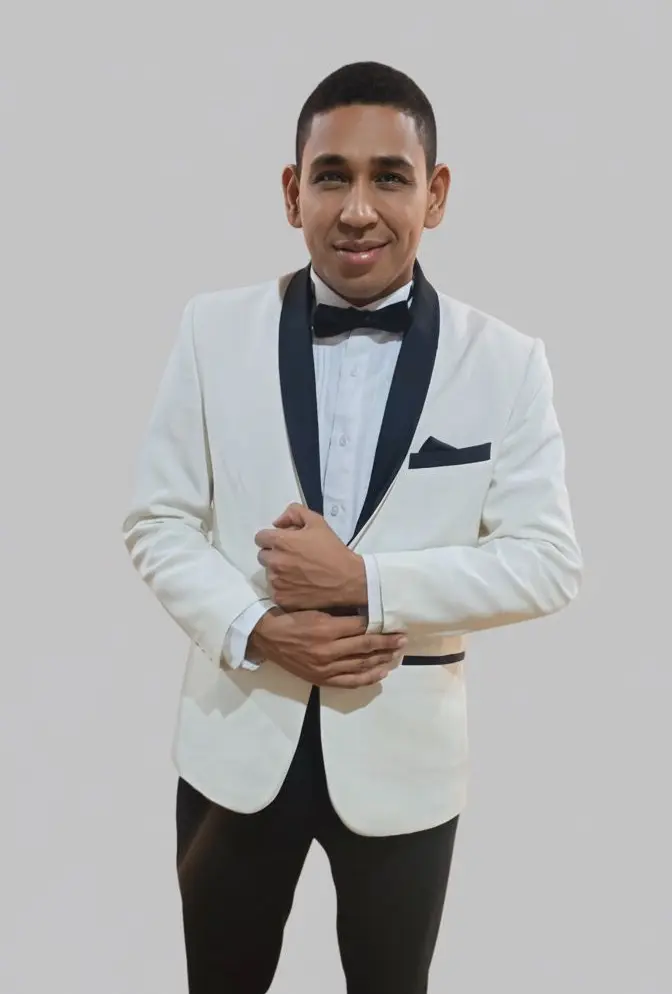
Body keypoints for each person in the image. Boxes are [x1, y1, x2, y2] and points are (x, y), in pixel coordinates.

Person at [122, 60, 583, 994]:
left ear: (435, 194)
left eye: (389, 177)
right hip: (234, 744)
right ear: (292, 193)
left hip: (404, 760)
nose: (358, 209)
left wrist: (365, 585)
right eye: (332, 176)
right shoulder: (212, 332)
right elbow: (158, 520)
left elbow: (547, 562)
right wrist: (256, 627)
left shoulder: (508, 363)